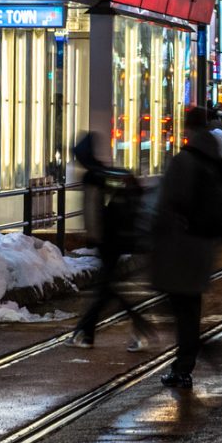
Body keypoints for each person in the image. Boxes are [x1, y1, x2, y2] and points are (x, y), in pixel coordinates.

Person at [149, 107, 222, 389]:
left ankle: (193, 356)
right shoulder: (217, 160)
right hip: (203, 246)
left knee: (175, 305)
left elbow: (167, 205)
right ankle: (189, 357)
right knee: (188, 305)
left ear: (186, 128)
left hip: (180, 246)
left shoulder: (184, 161)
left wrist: (155, 239)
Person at [71, 131, 156, 352]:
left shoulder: (92, 177)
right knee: (108, 288)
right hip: (119, 238)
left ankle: (139, 329)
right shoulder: (108, 173)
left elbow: (92, 212)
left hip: (107, 241)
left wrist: (93, 237)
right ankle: (87, 332)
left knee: (108, 289)